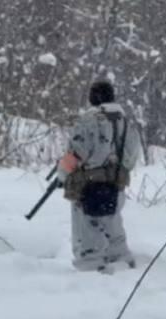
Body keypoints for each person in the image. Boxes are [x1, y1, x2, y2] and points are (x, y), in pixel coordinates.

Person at [58, 80, 144, 272]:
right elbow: (132, 154)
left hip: (88, 186)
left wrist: (62, 175)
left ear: (93, 98)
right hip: (115, 185)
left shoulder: (88, 121)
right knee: (113, 224)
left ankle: (91, 266)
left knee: (87, 230)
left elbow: (76, 154)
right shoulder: (126, 122)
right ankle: (120, 259)